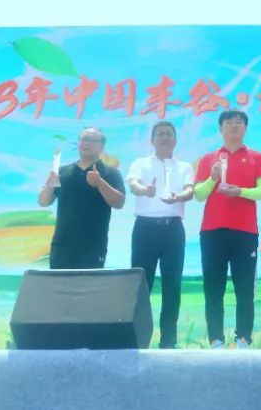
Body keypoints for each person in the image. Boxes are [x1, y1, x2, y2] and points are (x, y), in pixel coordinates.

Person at [193, 110, 261, 349]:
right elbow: (199, 194)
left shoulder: (258, 158)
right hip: (212, 231)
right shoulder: (209, 159)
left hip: (245, 232)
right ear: (220, 128)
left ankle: (243, 339)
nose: (234, 126)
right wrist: (212, 179)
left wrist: (240, 192)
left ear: (246, 128)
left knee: (245, 288)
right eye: (228, 123)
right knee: (213, 288)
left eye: (239, 123)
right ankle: (215, 339)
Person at [127, 121, 195, 349]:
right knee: (140, 285)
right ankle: (137, 339)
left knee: (172, 284)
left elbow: (190, 190)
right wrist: (145, 190)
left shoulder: (184, 166)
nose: (165, 137)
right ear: (152, 140)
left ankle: (168, 341)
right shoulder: (140, 163)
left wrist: (179, 197)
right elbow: (134, 185)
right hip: (145, 229)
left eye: (169, 134)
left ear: (175, 140)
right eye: (160, 134)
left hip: (172, 229)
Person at [38, 126, 125, 269]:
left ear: (102, 146)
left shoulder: (110, 172)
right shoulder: (62, 171)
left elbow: (119, 203)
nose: (87, 143)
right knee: (58, 282)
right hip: (62, 244)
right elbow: (43, 201)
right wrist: (49, 185)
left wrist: (99, 183)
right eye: (84, 139)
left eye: (93, 140)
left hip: (93, 245)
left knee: (89, 283)